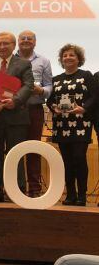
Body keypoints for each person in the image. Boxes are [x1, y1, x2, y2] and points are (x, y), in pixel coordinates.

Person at [0, 32, 34, 202]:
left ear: (13, 45)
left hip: (16, 117)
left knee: (15, 154)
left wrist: (15, 101)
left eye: (5, 43)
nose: (2, 47)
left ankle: (17, 190)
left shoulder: (23, 64)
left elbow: (29, 85)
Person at [47, 44, 97, 206]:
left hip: (81, 123)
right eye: (65, 55)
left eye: (72, 55)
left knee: (79, 158)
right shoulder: (56, 79)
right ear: (61, 59)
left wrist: (84, 108)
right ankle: (70, 195)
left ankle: (82, 195)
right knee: (67, 161)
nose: (68, 57)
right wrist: (53, 107)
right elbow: (50, 100)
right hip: (62, 124)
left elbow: (95, 96)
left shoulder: (87, 75)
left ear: (78, 59)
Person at [17, 30, 53, 197]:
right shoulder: (10, 60)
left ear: (35, 42)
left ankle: (34, 189)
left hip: (34, 110)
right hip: (14, 110)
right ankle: (16, 187)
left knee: (33, 149)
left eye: (29, 38)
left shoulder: (44, 61)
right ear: (17, 41)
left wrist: (41, 91)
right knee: (14, 150)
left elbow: (49, 87)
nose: (25, 41)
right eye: (22, 38)